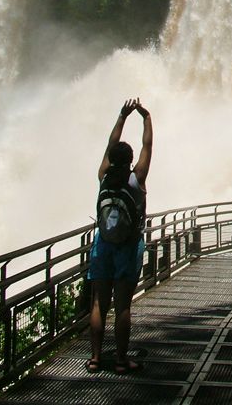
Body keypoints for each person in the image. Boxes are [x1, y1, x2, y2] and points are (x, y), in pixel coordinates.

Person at [86, 98, 152, 374]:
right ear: (130, 161)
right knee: (123, 305)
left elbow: (109, 145)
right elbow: (148, 146)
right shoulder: (136, 178)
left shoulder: (103, 176)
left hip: (102, 243)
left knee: (99, 302)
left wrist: (121, 117)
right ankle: (122, 360)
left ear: (112, 159)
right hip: (127, 245)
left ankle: (96, 358)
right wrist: (146, 117)